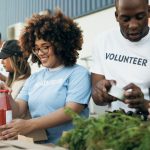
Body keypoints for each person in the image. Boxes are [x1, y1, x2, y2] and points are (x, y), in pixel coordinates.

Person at [0, 10, 91, 144]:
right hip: (39, 145)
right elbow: (19, 109)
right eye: (36, 48)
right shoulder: (34, 78)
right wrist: (5, 94)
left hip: (68, 145)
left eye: (45, 47)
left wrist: (30, 125)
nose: (40, 53)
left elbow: (71, 110)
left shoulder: (78, 73)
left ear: (61, 46)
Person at [91, 0, 150, 115]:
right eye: (125, 19)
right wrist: (101, 92)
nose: (133, 25)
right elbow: (97, 100)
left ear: (149, 11)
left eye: (140, 17)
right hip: (114, 123)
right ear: (117, 16)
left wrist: (144, 104)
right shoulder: (102, 41)